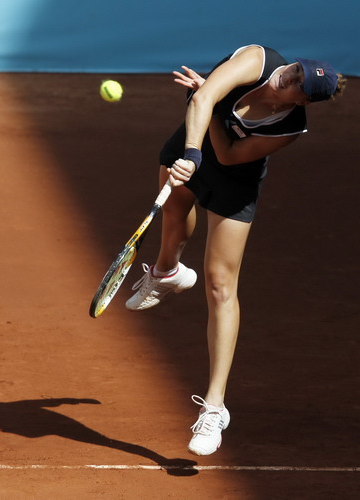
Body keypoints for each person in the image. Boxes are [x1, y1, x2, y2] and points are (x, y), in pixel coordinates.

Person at [125, 45, 346, 456]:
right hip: (191, 143)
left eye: (299, 84)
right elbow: (204, 98)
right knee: (174, 209)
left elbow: (227, 155)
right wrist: (193, 147)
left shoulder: (288, 128)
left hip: (235, 179)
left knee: (219, 284)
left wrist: (208, 111)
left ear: (301, 101)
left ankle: (214, 408)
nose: (291, 77)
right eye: (296, 69)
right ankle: (168, 272)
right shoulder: (259, 60)